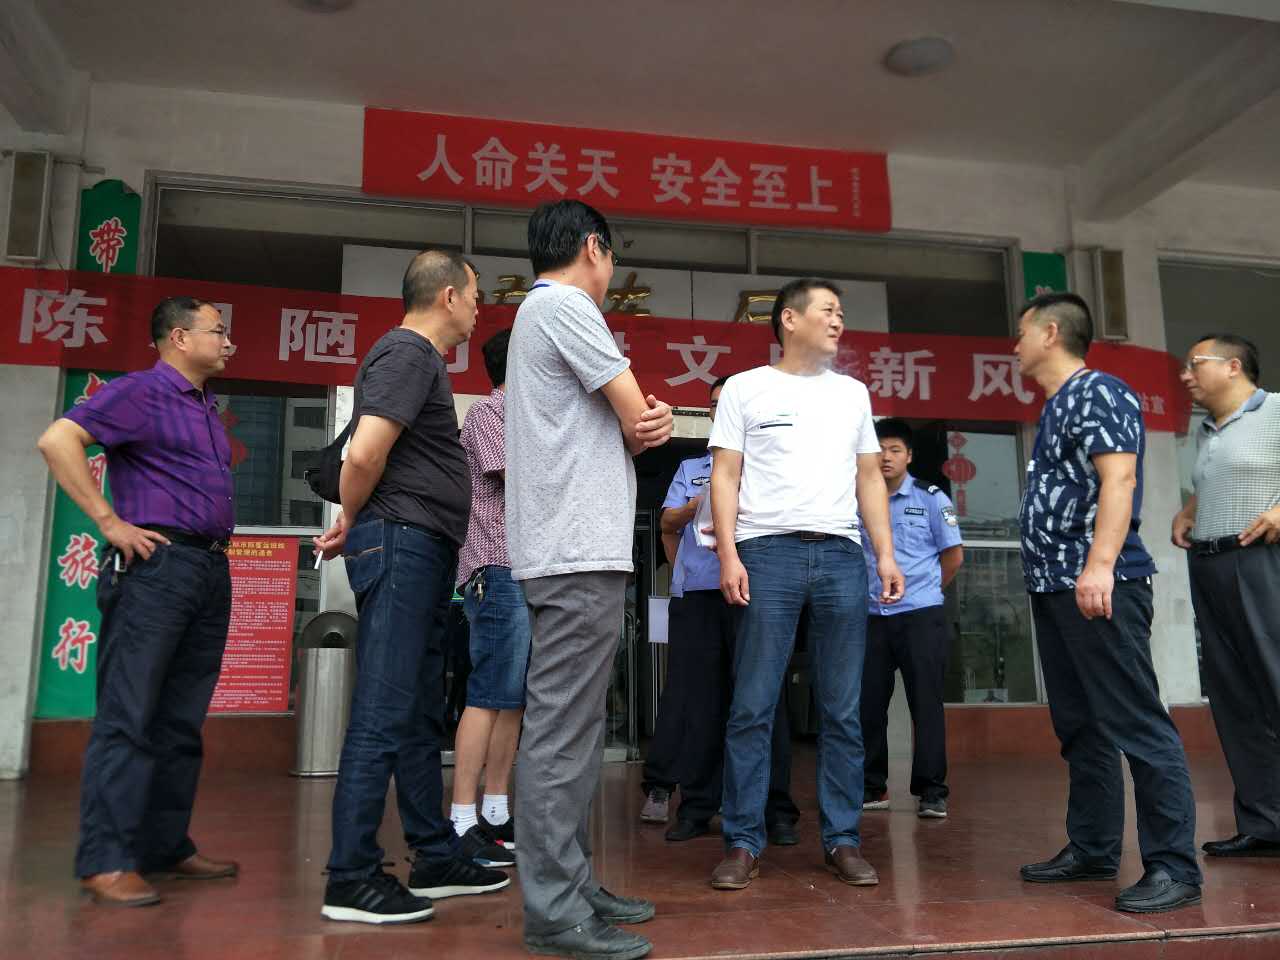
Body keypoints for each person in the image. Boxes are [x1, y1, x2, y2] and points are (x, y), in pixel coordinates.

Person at [313, 250, 509, 925]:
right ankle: (351, 875)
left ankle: (433, 853)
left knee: (420, 708)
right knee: (383, 708)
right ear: (448, 296)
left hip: (420, 547)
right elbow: (366, 452)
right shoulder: (407, 353)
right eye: (475, 294)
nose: (479, 308)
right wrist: (353, 516)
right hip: (401, 542)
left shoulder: (419, 360)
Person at [506, 199, 673, 960]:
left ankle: (572, 885)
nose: (611, 271)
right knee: (561, 734)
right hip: (575, 551)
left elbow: (622, 429)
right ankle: (554, 912)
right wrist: (649, 421)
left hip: (570, 548)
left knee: (572, 730)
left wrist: (641, 426)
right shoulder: (566, 305)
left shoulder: (538, 314)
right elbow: (638, 417)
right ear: (593, 247)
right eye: (612, 255)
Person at [36, 296, 239, 907]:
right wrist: (108, 521)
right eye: (217, 331)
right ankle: (106, 860)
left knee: (181, 718)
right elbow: (58, 440)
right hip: (157, 569)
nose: (227, 342)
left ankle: (164, 845)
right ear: (179, 338)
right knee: (130, 714)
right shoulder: (140, 392)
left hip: (208, 568)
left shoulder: (204, 406)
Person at [707, 277, 904, 892]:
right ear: (789, 320)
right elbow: (725, 474)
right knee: (752, 705)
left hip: (842, 555)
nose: (839, 320)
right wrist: (729, 554)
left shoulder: (852, 394)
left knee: (843, 708)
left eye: (842, 312)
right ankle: (743, 842)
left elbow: (869, 478)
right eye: (828, 310)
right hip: (767, 554)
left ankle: (843, 839)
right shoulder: (745, 388)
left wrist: (885, 554)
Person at [1014, 292, 1201, 914]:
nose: (1015, 346)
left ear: (1050, 333)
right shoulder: (1058, 404)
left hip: (1099, 583)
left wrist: (1099, 566)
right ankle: (1093, 847)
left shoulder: (1099, 391)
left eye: (1021, 333)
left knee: (1135, 722)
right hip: (1055, 585)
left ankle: (1174, 867)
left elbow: (1118, 478)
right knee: (1081, 726)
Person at [640, 376, 801, 844]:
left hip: (758, 594)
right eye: (714, 404)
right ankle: (697, 807)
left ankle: (776, 810)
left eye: (727, 402)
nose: (720, 409)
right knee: (701, 703)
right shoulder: (691, 467)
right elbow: (668, 522)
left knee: (765, 702)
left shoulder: (773, 464)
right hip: (699, 598)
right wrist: (700, 503)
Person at [1171, 333, 1280, 859]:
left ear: (1234, 366)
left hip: (1261, 563)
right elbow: (1225, 477)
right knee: (1235, 695)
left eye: (1195, 364)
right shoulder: (1207, 430)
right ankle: (1265, 823)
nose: (1185, 375)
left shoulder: (1276, 410)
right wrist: (1191, 509)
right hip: (1210, 565)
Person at [859, 418, 963, 819]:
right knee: (868, 704)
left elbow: (953, 556)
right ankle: (872, 786)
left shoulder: (931, 498)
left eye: (895, 450)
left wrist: (925, 591)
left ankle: (932, 790)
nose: (886, 457)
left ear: (909, 456)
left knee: (926, 704)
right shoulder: (857, 498)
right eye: (881, 449)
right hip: (871, 615)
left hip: (920, 615)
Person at [449, 328, 525, 869]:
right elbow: (512, 473)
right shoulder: (488, 412)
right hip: (496, 566)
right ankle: (462, 818)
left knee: (512, 696)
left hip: (524, 568)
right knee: (487, 693)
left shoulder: (522, 415)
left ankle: (495, 810)